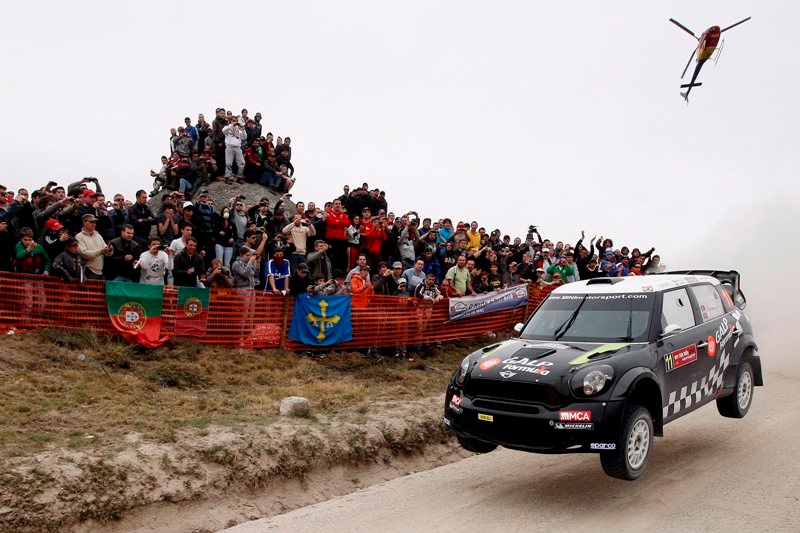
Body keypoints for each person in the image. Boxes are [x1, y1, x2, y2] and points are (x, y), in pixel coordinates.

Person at [75, 214, 112, 280]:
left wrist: (110, 250)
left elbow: (107, 253)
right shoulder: (79, 237)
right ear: (84, 222)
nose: (94, 224)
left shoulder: (98, 236)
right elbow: (84, 254)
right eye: (91, 222)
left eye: (95, 222)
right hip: (87, 271)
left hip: (100, 272)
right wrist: (101, 252)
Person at [222, 118, 247, 184]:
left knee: (242, 163)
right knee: (228, 163)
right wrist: (232, 125)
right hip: (229, 146)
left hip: (238, 147)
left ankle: (239, 177)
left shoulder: (239, 129)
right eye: (233, 120)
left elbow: (244, 137)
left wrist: (243, 129)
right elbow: (223, 130)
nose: (235, 122)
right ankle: (227, 177)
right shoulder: (228, 127)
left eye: (236, 121)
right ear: (231, 121)